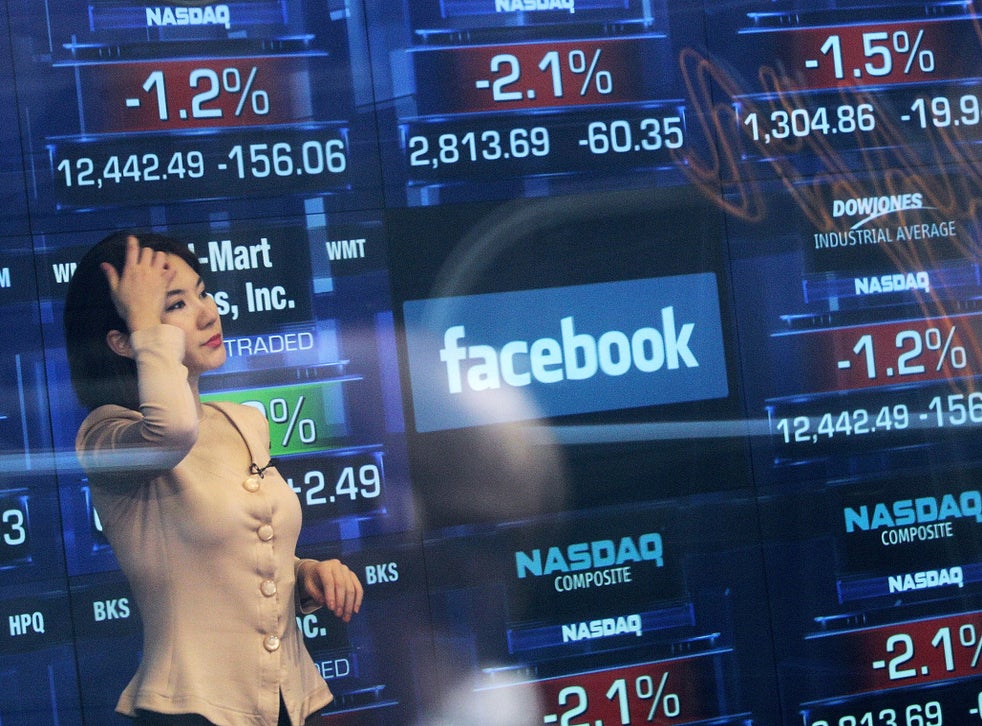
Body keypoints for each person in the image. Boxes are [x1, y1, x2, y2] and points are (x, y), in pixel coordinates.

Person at [64, 231, 363, 726]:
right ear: (122, 340)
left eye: (202, 293)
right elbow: (171, 431)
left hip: (288, 702)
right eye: (175, 305)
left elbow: (240, 560)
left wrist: (305, 575)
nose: (208, 314)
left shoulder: (242, 422)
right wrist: (145, 325)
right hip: (189, 710)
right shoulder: (106, 435)